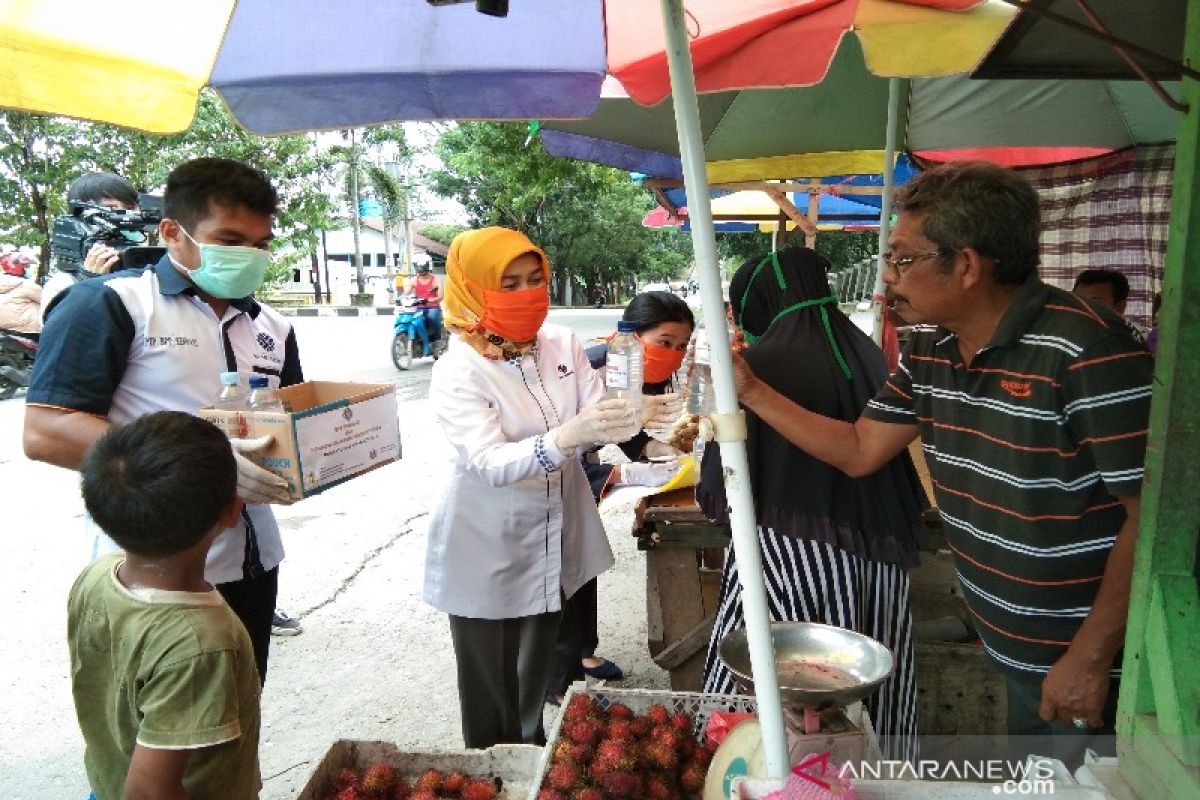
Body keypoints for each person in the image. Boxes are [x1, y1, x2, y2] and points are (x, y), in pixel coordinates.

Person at [729, 162, 1152, 769]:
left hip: (1092, 657)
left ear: (968, 265)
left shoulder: (1086, 350)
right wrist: (751, 391)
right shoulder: (929, 347)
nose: (888, 279)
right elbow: (859, 449)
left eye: (902, 260)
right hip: (1012, 642)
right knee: (1038, 779)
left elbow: (1152, 518)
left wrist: (1088, 655)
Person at [24, 157, 301, 686]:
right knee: (157, 741)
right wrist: (212, 465)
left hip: (251, 562)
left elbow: (290, 423)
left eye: (261, 243)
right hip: (148, 568)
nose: (249, 255)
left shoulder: (273, 326)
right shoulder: (110, 303)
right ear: (171, 231)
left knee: (236, 725)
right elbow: (45, 432)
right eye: (230, 237)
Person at [697, 248, 926, 763]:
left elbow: (720, 486)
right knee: (867, 665)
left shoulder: (752, 368)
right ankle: (877, 771)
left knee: (782, 680)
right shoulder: (867, 351)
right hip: (875, 555)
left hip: (787, 556)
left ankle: (767, 769)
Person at [423, 226, 642, 749]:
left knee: (535, 673)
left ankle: (532, 761)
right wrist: (567, 437)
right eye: (508, 284)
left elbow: (597, 406)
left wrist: (625, 410)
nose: (526, 295)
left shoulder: (561, 342)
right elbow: (489, 462)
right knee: (489, 688)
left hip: (555, 528)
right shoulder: (459, 370)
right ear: (473, 289)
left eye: (534, 279)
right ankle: (494, 770)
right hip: (489, 539)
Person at [70, 411, 260, 800]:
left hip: (107, 784)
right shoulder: (200, 643)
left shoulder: (96, 578)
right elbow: (149, 792)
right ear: (232, 509)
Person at [545, 291, 693, 703]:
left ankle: (583, 654)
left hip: (579, 484)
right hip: (553, 481)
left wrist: (653, 451)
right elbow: (563, 442)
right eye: (664, 342)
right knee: (559, 583)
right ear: (632, 335)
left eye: (681, 346)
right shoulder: (594, 367)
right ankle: (559, 687)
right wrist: (616, 474)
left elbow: (626, 433)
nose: (673, 353)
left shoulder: (640, 372)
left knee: (583, 570)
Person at [42, 172, 142, 318]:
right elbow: (64, 336)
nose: (124, 214)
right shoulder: (62, 284)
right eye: (111, 208)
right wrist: (90, 285)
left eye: (129, 207)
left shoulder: (144, 269)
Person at [404, 261, 444, 354]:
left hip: (432, 307)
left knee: (432, 317)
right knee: (414, 320)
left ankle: (437, 339)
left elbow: (441, 296)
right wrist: (404, 294)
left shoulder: (436, 280)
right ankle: (421, 341)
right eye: (419, 273)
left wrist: (430, 300)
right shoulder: (414, 280)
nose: (421, 274)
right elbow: (407, 292)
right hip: (418, 307)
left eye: (423, 272)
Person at [0, 252, 42, 335]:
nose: (28, 269)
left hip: (14, 333)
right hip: (38, 330)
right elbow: (51, 300)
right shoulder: (25, 285)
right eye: (27, 267)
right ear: (19, 268)